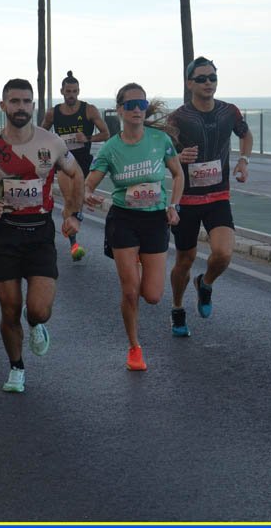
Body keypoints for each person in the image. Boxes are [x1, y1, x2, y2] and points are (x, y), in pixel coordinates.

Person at [0, 78, 84, 394]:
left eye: (27, 102)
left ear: (33, 106)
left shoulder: (51, 142)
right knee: (10, 309)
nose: (21, 107)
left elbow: (76, 174)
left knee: (37, 309)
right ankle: (16, 368)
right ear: (3, 106)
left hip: (40, 233)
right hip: (4, 235)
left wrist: (74, 214)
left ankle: (37, 324)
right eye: (15, 101)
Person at [84, 83, 183, 371]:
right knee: (130, 291)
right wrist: (88, 194)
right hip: (124, 220)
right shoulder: (111, 148)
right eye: (131, 105)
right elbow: (90, 183)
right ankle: (134, 347)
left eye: (142, 104)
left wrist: (174, 206)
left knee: (152, 295)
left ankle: (139, 262)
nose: (138, 109)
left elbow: (177, 175)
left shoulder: (159, 140)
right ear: (120, 110)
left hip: (154, 220)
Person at [165, 57, 253, 337]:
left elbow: (246, 135)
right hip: (187, 201)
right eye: (201, 78)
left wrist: (244, 161)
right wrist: (178, 157)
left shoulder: (229, 112)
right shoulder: (178, 118)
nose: (208, 83)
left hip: (217, 197)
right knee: (185, 260)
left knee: (224, 253)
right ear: (189, 83)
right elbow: (164, 155)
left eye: (212, 78)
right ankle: (178, 309)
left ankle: (205, 283)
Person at [41, 71, 110, 262]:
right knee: (69, 200)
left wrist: (87, 137)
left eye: (75, 91)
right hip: (63, 162)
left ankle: (76, 217)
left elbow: (106, 134)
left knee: (79, 202)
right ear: (62, 91)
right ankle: (74, 244)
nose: (72, 95)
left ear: (79, 91)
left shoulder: (89, 110)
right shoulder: (53, 112)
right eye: (68, 91)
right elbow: (41, 134)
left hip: (84, 162)